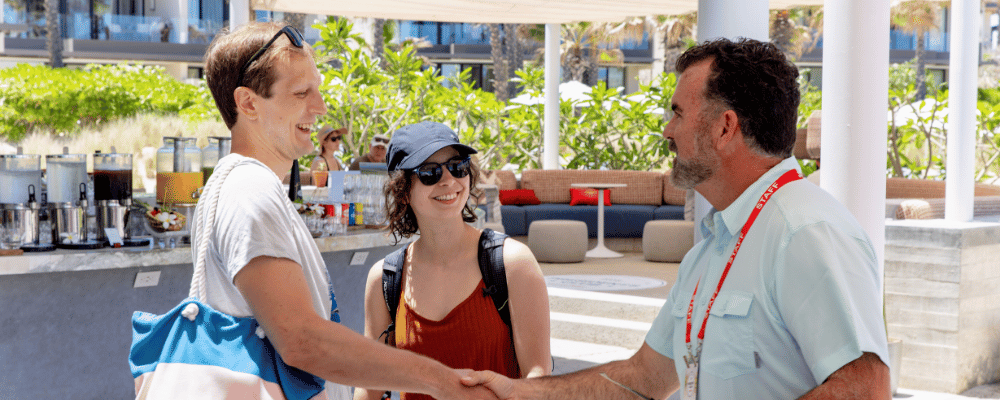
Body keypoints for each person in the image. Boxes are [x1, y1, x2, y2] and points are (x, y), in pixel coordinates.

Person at [463, 38, 890, 399]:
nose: (668, 130)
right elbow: (644, 376)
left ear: (725, 128)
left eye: (678, 114)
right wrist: (522, 391)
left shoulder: (805, 229)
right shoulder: (715, 247)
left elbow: (865, 385)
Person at [198, 21, 497, 400]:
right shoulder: (249, 192)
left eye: (317, 90)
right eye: (302, 92)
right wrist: (442, 382)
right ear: (248, 103)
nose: (320, 107)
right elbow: (303, 341)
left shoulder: (236, 185)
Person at [355, 121, 552, 400]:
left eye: (457, 166)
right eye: (429, 172)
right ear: (403, 190)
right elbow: (369, 385)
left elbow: (538, 378)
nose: (448, 180)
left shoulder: (512, 263)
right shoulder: (385, 279)